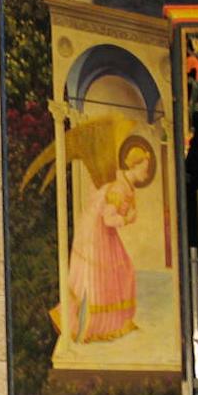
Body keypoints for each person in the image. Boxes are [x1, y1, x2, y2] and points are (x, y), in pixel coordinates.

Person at [58, 134, 156, 342]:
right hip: (97, 236)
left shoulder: (126, 186)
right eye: (144, 168)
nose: (146, 173)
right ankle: (99, 328)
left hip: (104, 233)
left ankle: (119, 323)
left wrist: (127, 218)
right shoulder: (119, 188)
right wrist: (125, 219)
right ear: (135, 166)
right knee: (102, 280)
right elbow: (108, 218)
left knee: (123, 270)